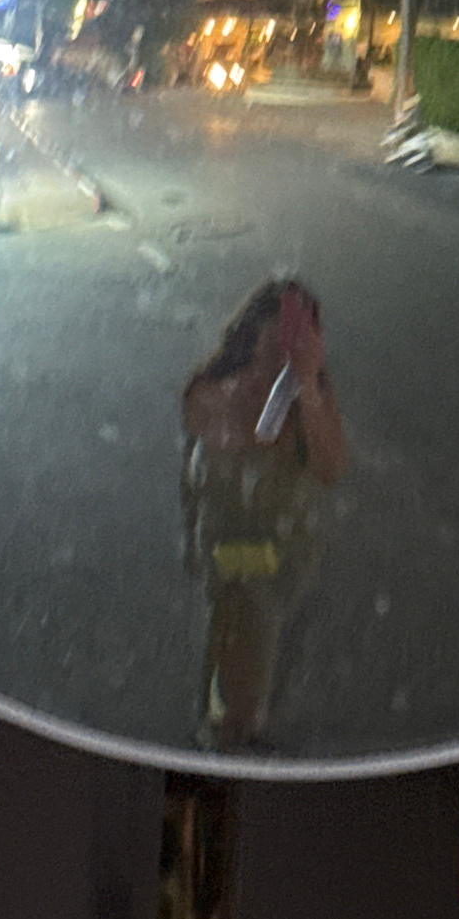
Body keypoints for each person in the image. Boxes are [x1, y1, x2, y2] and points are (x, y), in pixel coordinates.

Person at [181, 280, 347, 750]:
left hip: (285, 551)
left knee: (263, 640)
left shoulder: (309, 399)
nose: (282, 352)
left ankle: (239, 722)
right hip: (224, 543)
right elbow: (210, 426)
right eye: (273, 339)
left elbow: (331, 468)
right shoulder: (216, 387)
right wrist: (258, 389)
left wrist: (305, 385)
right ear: (250, 336)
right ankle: (230, 725)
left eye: (296, 340)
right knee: (238, 625)